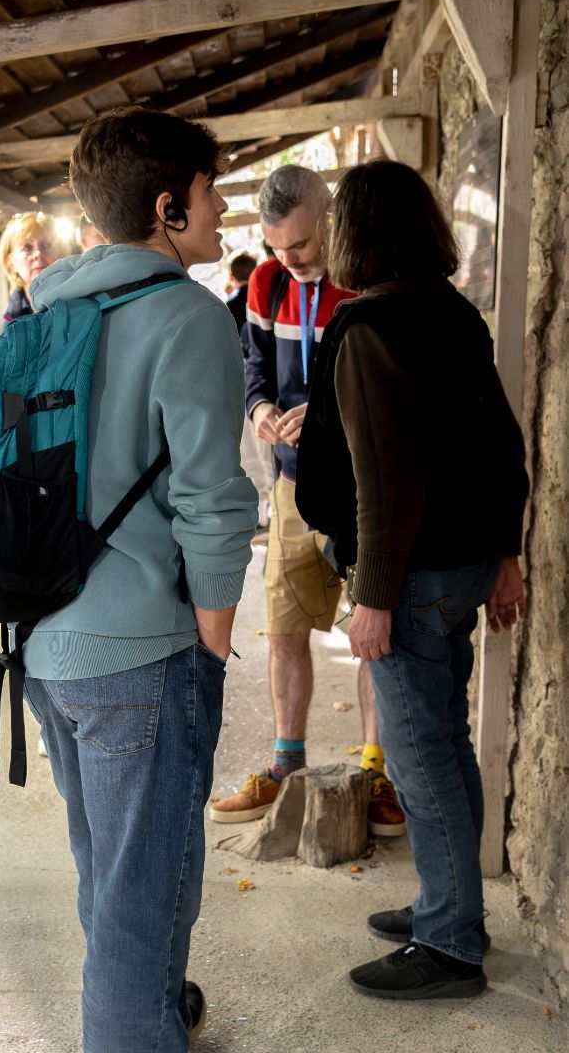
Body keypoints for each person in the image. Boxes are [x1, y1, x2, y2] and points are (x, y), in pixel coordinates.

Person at [21, 105, 257, 1051]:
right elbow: (214, 501)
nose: (225, 206)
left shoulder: (42, 312)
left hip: (45, 644)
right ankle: (133, 1023)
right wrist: (211, 638)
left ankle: (157, 1010)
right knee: (138, 892)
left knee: (117, 874)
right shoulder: (189, 317)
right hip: (142, 652)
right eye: (211, 190)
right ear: (168, 206)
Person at [296, 159, 528, 998]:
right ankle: (450, 902)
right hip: (464, 565)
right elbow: (503, 445)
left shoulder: (369, 331)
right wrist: (506, 557)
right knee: (444, 745)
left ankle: (451, 944)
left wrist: (373, 599)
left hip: (417, 575)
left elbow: (385, 483)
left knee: (420, 757)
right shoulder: (455, 314)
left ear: (353, 235)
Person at [209, 164, 405, 837]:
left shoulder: (367, 279)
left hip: (364, 491)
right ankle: (286, 765)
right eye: (276, 248)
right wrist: (260, 408)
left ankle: (378, 771)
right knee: (286, 629)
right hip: (294, 488)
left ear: (327, 218)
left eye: (300, 246)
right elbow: (251, 363)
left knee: (376, 635)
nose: (288, 261)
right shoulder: (265, 283)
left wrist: (321, 417)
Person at [224, 251, 272, 530]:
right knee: (267, 450)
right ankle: (269, 505)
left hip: (239, 384)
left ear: (232, 277)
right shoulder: (262, 303)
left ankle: (259, 511)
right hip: (264, 385)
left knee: (249, 450)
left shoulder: (226, 308)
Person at [0, 210, 70, 341]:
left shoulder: (80, 312)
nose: (38, 253)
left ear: (60, 254)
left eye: (46, 245)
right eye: (27, 247)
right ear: (10, 261)